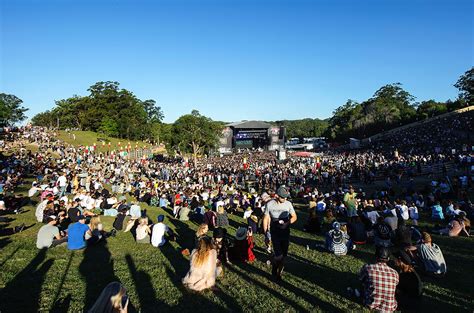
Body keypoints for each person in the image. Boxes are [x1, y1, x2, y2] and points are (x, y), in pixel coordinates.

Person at [262, 186, 297, 281]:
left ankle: (277, 271)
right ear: (277, 196)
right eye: (283, 197)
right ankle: (276, 271)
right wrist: (266, 234)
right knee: (279, 255)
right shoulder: (269, 204)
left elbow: (294, 217)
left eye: (286, 197)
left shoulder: (288, 204)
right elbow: (265, 219)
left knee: (283, 256)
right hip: (275, 230)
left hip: (285, 231)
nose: (285, 199)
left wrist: (287, 223)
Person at [359, 246, 399, 312]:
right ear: (388, 259)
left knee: (365, 283)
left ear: (375, 256)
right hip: (389, 307)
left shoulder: (367, 267)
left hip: (370, 304)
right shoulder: (395, 273)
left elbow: (360, 279)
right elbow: (396, 284)